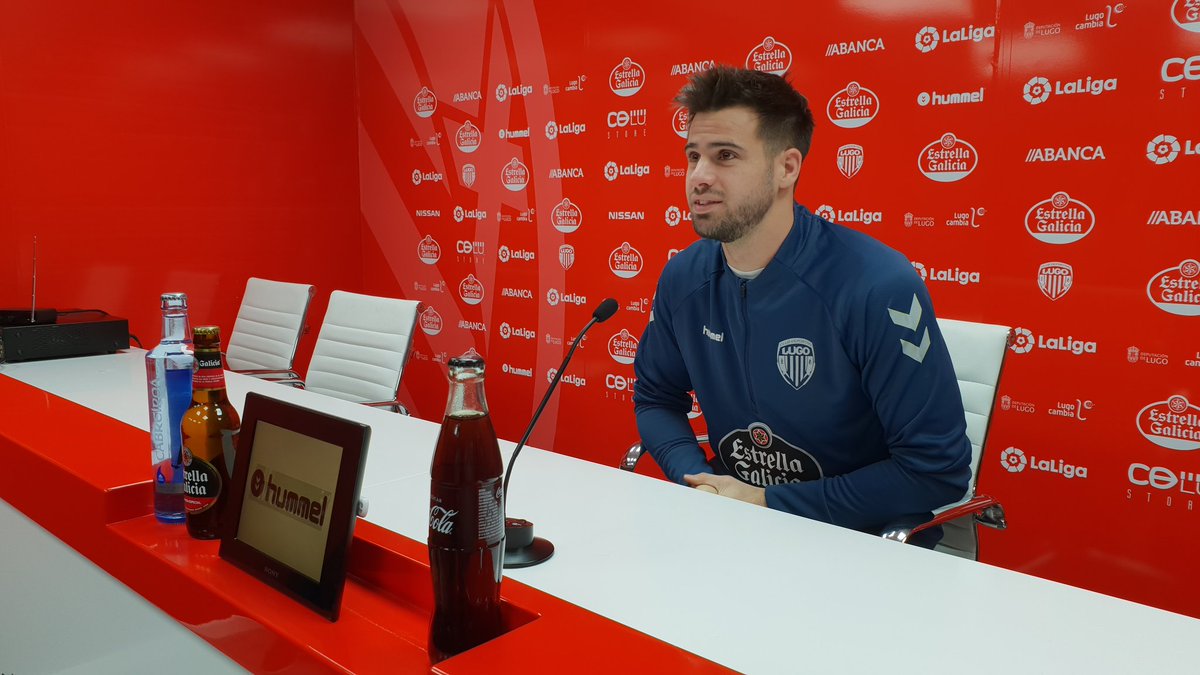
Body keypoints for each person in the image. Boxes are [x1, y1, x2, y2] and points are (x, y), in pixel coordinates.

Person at [632, 65, 971, 544]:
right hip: (731, 527)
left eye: (725, 156)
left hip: (860, 545)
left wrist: (769, 502)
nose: (698, 177)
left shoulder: (877, 285)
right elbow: (655, 398)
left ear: (786, 167)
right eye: (693, 156)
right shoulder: (683, 277)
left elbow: (937, 471)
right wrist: (698, 481)